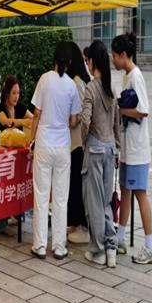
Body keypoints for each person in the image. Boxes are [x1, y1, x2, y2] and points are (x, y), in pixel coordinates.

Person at [29, 42, 81, 260]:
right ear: (68, 63)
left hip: (43, 143)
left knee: (41, 196)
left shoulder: (44, 79)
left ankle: (40, 245)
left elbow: (36, 113)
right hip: (62, 147)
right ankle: (59, 246)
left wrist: (31, 140)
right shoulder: (71, 86)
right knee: (60, 198)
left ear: (54, 60)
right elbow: (74, 120)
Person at [112, 32, 152, 265]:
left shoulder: (136, 77)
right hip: (128, 149)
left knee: (140, 194)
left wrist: (121, 111)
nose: (112, 60)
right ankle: (120, 238)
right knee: (125, 192)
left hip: (138, 150)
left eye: (114, 55)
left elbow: (144, 110)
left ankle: (150, 246)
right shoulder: (126, 76)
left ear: (123, 55)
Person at [80, 41, 121, 267]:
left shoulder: (91, 88)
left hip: (94, 149)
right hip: (110, 148)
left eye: (87, 60)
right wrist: (117, 148)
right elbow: (117, 123)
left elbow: (85, 120)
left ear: (92, 62)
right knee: (105, 201)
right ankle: (111, 248)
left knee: (94, 202)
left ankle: (97, 250)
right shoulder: (110, 88)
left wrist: (84, 141)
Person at [66, 43, 91, 245]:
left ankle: (82, 226)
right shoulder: (79, 80)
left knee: (76, 186)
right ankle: (75, 223)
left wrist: (70, 120)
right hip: (76, 142)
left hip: (77, 142)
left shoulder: (76, 82)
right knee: (74, 185)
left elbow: (80, 114)